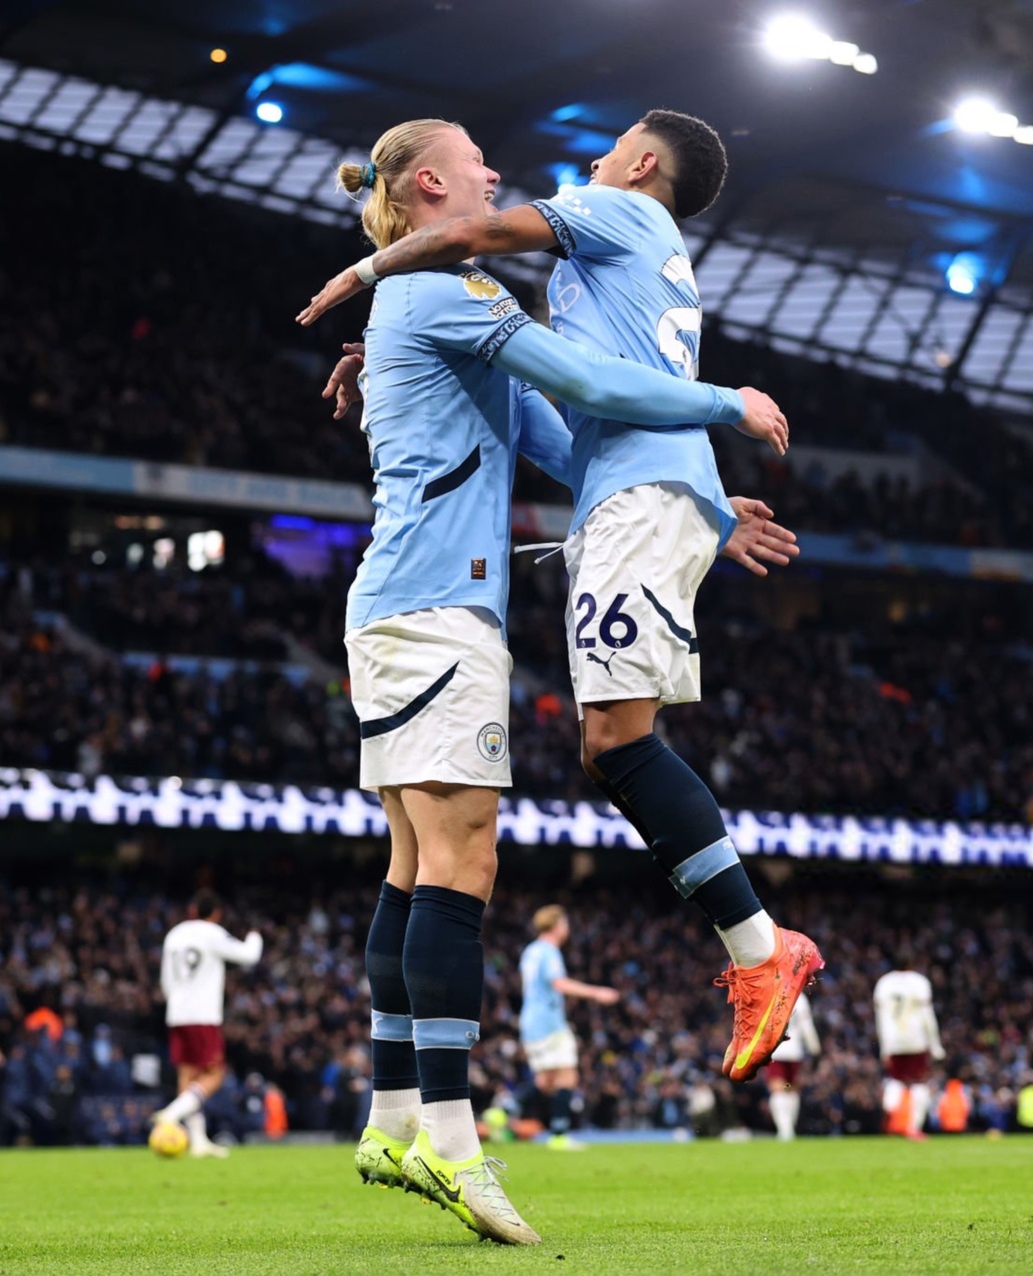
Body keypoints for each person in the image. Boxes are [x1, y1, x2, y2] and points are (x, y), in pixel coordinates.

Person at [329, 118, 793, 1247]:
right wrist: (723, 405)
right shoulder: (445, 290)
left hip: (409, 608)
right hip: (435, 615)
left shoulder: (438, 300)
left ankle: (392, 1116)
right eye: (476, 164)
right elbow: (584, 377)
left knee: (412, 863)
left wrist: (702, 501)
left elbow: (561, 439)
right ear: (431, 184)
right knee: (463, 861)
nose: (497, 174)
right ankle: (451, 1140)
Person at [152, 890, 262, 1159]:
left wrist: (175, 1002)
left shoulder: (174, 934)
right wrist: (255, 935)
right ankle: (171, 1114)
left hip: (176, 1012)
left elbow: (166, 979)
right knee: (215, 1074)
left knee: (188, 1075)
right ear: (216, 913)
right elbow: (248, 956)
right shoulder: (212, 933)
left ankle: (198, 1141)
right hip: (202, 1015)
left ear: (192, 910)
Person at [518, 905, 619, 1150]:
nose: (567, 928)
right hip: (548, 1022)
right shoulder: (549, 951)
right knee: (567, 1076)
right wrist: (597, 993)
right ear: (555, 925)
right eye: (564, 923)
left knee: (545, 1081)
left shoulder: (530, 951)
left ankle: (502, 1113)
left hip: (530, 1021)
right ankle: (559, 1135)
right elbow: (559, 983)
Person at [873, 963, 944, 1141]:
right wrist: (935, 1044)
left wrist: (884, 1046)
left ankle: (889, 1112)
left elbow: (880, 1017)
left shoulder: (884, 983)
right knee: (919, 1083)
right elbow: (927, 1015)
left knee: (895, 1081)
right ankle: (913, 1127)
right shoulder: (919, 982)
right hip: (916, 1039)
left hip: (893, 1040)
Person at [764, 992, 820, 1141]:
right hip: (794, 1052)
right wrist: (815, 1048)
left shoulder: (770, 993)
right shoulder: (799, 997)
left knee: (779, 1090)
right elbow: (806, 1026)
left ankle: (785, 1130)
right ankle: (788, 1129)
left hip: (775, 1051)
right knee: (790, 1089)